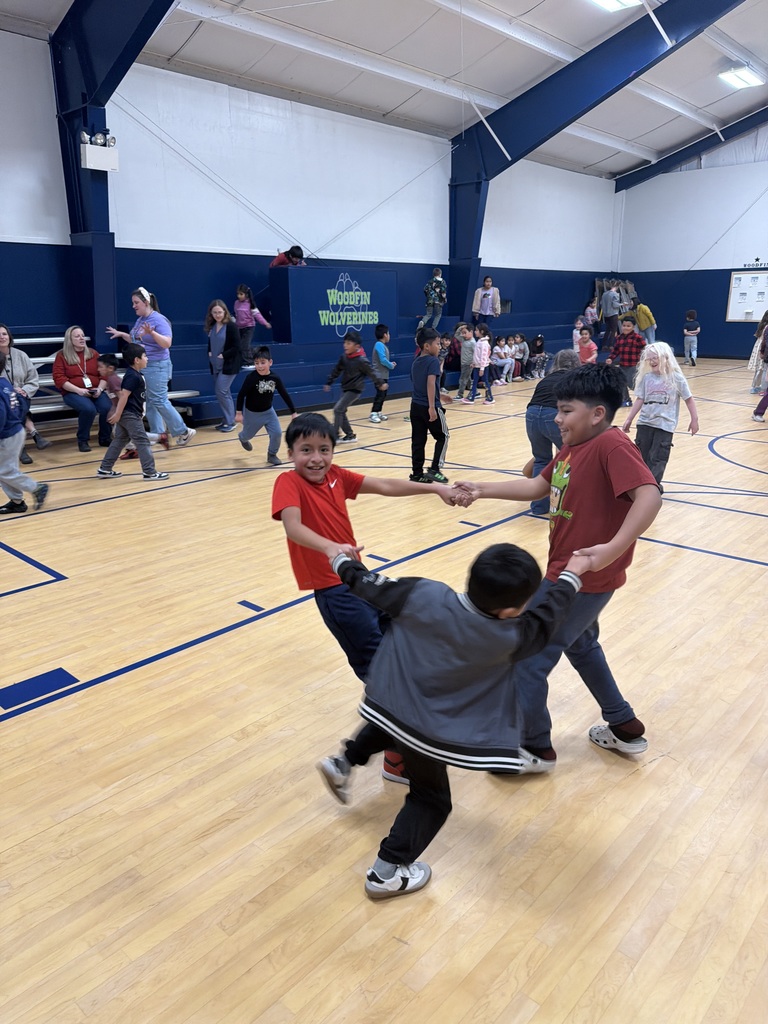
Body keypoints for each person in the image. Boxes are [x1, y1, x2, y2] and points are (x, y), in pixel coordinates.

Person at [317, 543, 587, 900]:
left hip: (389, 702)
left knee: (388, 725)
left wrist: (340, 560)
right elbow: (548, 618)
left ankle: (343, 762)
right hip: (429, 730)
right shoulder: (512, 637)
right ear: (511, 610)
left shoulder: (423, 593)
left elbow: (365, 584)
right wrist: (572, 576)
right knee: (431, 800)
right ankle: (386, 872)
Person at [454, 364, 662, 772]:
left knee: (527, 657)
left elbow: (650, 495)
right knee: (581, 645)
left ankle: (533, 749)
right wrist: (481, 489)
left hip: (580, 579)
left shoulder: (611, 445)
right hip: (572, 575)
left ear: (597, 413)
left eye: (566, 411)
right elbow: (537, 487)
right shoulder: (574, 447)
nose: (557, 418)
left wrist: (610, 549)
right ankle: (623, 723)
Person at [271, 412, 457, 784]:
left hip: (363, 584)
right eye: (306, 449)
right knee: (387, 679)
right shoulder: (287, 482)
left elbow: (386, 485)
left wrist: (434, 488)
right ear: (290, 453)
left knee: (404, 659)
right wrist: (332, 550)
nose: (316, 458)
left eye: (324, 449)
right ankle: (379, 759)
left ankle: (390, 754)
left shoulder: (338, 476)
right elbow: (293, 526)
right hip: (336, 593)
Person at [106, 287, 196, 447]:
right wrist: (122, 335)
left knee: (158, 399)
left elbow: (167, 343)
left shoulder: (159, 320)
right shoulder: (140, 319)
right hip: (146, 366)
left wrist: (153, 333)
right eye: (133, 303)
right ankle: (158, 435)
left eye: (136, 303)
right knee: (151, 401)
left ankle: (183, 431)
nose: (133, 306)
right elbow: (138, 341)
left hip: (157, 366)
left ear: (146, 302)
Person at [622, 342, 699, 487]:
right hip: (645, 423)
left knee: (658, 457)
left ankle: (652, 486)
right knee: (641, 456)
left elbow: (689, 399)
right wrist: (629, 419)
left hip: (665, 425)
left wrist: (694, 419)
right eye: (649, 359)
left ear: (665, 357)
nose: (651, 362)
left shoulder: (676, 378)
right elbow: (640, 399)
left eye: (654, 358)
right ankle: (640, 484)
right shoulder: (647, 378)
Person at [96, 343, 170, 482]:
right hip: (130, 415)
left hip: (127, 414)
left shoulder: (135, 375)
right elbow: (123, 396)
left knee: (119, 440)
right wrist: (118, 414)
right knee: (142, 441)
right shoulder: (132, 376)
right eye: (145, 356)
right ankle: (149, 472)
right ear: (137, 360)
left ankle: (105, 469)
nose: (147, 359)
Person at [524, 349, 580, 516]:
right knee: (571, 459)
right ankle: (568, 503)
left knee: (541, 459)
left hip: (531, 414)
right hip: (553, 415)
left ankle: (539, 507)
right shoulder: (575, 379)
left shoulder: (546, 378)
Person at [0, 353, 49, 514]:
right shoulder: (5, 383)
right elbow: (21, 404)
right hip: (15, 431)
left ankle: (36, 487)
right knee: (7, 469)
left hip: (7, 435)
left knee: (5, 471)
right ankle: (17, 501)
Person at [52, 325, 113, 452]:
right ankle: (83, 440)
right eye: (77, 336)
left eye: (82, 335)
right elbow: (59, 379)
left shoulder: (93, 354)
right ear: (70, 340)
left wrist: (100, 389)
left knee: (107, 407)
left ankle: (105, 438)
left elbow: (104, 374)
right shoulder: (62, 356)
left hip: (95, 389)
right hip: (72, 392)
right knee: (88, 409)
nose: (81, 338)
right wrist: (78, 390)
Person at [235, 345, 297, 464]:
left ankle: (272, 454)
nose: (259, 366)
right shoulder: (251, 378)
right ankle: (242, 437)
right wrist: (239, 413)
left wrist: (293, 412)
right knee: (248, 435)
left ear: (270, 362)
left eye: (263, 362)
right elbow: (241, 394)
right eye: (256, 363)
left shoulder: (275, 378)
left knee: (277, 433)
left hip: (269, 412)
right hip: (252, 414)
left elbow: (284, 394)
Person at [0, 323, 51, 464]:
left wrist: (25, 390)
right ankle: (34, 434)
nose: (2, 337)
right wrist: (8, 391)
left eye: (4, 334)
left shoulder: (21, 355)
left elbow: (33, 379)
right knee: (14, 404)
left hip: (22, 396)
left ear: (9, 336)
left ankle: (21, 448)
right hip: (2, 397)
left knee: (17, 403)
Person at [323, 329, 386, 443]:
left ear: (357, 346)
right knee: (341, 411)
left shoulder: (362, 360)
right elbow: (336, 370)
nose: (345, 346)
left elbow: (372, 372)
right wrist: (329, 382)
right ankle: (350, 435)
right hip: (346, 388)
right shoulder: (344, 358)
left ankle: (334, 435)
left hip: (355, 390)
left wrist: (380, 383)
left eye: (348, 343)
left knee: (337, 409)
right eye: (345, 343)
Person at [410, 327, 451, 484]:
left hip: (415, 406)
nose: (439, 346)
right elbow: (430, 382)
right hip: (429, 407)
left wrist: (439, 395)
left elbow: (419, 384)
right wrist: (432, 406)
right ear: (427, 346)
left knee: (418, 440)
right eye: (437, 343)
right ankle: (435, 468)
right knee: (443, 436)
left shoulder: (416, 362)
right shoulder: (433, 361)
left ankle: (417, 473)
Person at [205, 299, 241, 433]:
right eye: (214, 312)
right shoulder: (213, 325)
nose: (217, 315)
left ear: (225, 311)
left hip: (229, 365)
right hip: (215, 364)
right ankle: (227, 419)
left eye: (220, 312)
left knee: (221, 390)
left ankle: (231, 421)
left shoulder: (231, 326)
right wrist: (209, 353)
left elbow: (237, 346)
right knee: (223, 393)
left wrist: (223, 355)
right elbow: (211, 342)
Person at [605, 316, 646, 400]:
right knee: (621, 382)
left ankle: (644, 396)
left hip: (633, 365)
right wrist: (611, 358)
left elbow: (644, 350)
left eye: (628, 326)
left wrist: (642, 359)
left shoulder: (638, 338)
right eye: (624, 325)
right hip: (623, 364)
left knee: (632, 383)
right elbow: (616, 350)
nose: (626, 328)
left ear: (633, 327)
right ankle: (626, 399)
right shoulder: (619, 338)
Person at [233, 284, 270, 367]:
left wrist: (265, 323)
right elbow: (236, 315)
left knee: (244, 345)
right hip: (239, 328)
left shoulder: (250, 304)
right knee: (239, 345)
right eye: (238, 294)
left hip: (249, 327)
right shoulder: (236, 303)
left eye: (241, 294)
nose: (239, 296)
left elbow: (257, 315)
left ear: (246, 294)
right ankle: (254, 353)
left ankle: (249, 362)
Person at [369, 323, 396, 423]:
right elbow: (383, 360)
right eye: (388, 333)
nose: (389, 336)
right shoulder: (379, 345)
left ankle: (378, 411)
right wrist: (391, 365)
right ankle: (373, 413)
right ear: (385, 335)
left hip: (383, 375)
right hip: (378, 375)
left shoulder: (382, 345)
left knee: (383, 394)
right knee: (380, 394)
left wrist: (390, 363)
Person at [464, 323, 493, 405]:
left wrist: (482, 368)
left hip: (483, 367)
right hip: (477, 366)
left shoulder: (484, 343)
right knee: (474, 381)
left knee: (485, 382)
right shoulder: (479, 341)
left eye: (476, 330)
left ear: (482, 331)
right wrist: (474, 363)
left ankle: (490, 398)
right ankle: (471, 398)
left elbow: (483, 356)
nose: (475, 332)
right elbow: (477, 354)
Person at [455, 323, 475, 401]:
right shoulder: (463, 339)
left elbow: (475, 353)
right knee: (468, 379)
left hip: (468, 364)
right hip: (463, 363)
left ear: (471, 332)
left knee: (463, 379)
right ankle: (475, 391)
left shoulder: (473, 343)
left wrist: (473, 362)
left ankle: (460, 394)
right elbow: (456, 335)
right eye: (462, 333)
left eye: (465, 333)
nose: (463, 335)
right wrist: (461, 328)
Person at [600, 283, 622, 351]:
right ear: (617, 287)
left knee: (607, 330)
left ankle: (604, 345)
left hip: (606, 314)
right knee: (613, 330)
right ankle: (611, 345)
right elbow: (615, 305)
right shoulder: (615, 294)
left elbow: (601, 303)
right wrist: (622, 304)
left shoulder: (604, 294)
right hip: (613, 314)